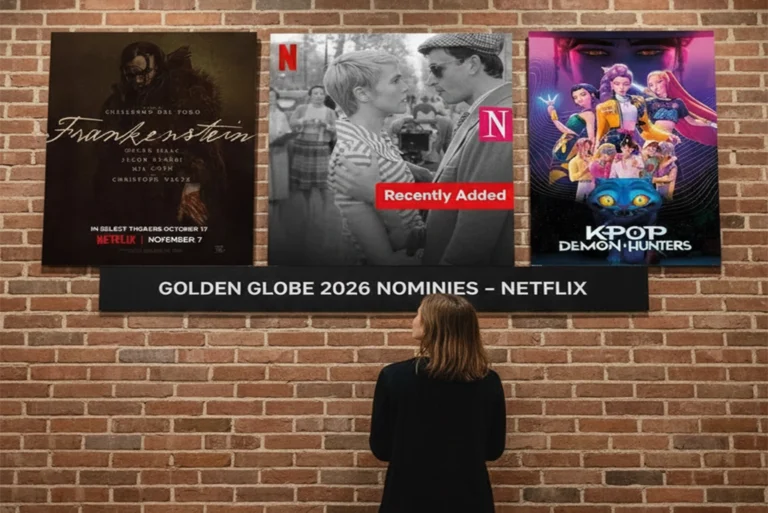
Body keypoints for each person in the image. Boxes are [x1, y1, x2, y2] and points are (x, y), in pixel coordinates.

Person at [332, 34, 514, 266]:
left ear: (473, 64)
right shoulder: (491, 112)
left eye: (437, 69)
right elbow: (472, 189)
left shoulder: (498, 116)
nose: (429, 80)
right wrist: (421, 176)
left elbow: (480, 222)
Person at [370, 293, 506, 513]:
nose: (413, 320)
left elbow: (381, 449)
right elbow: (493, 449)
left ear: (431, 326)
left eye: (418, 314)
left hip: (407, 498)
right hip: (470, 499)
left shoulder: (394, 377)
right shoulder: (488, 381)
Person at [323, 50, 427, 265]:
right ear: (363, 94)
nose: (405, 87)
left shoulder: (376, 138)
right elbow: (383, 261)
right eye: (396, 80)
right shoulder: (357, 154)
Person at [595, 63, 679, 152]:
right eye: (617, 84)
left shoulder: (638, 101)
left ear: (630, 84)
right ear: (611, 84)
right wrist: (596, 149)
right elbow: (601, 133)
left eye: (625, 84)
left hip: (632, 147)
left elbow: (647, 130)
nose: (621, 87)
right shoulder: (603, 107)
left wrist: (666, 136)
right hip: (613, 149)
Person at [645, 69, 717, 146]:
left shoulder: (677, 102)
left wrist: (711, 124)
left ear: (667, 82)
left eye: (659, 82)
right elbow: (644, 123)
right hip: (652, 140)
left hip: (666, 141)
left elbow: (692, 121)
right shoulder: (650, 103)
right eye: (651, 85)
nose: (655, 88)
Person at [568, 137, 594, 202]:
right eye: (584, 147)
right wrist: (585, 171)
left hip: (594, 184)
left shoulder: (592, 159)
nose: (586, 149)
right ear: (578, 147)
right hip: (582, 184)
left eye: (588, 147)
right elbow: (572, 178)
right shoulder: (573, 161)